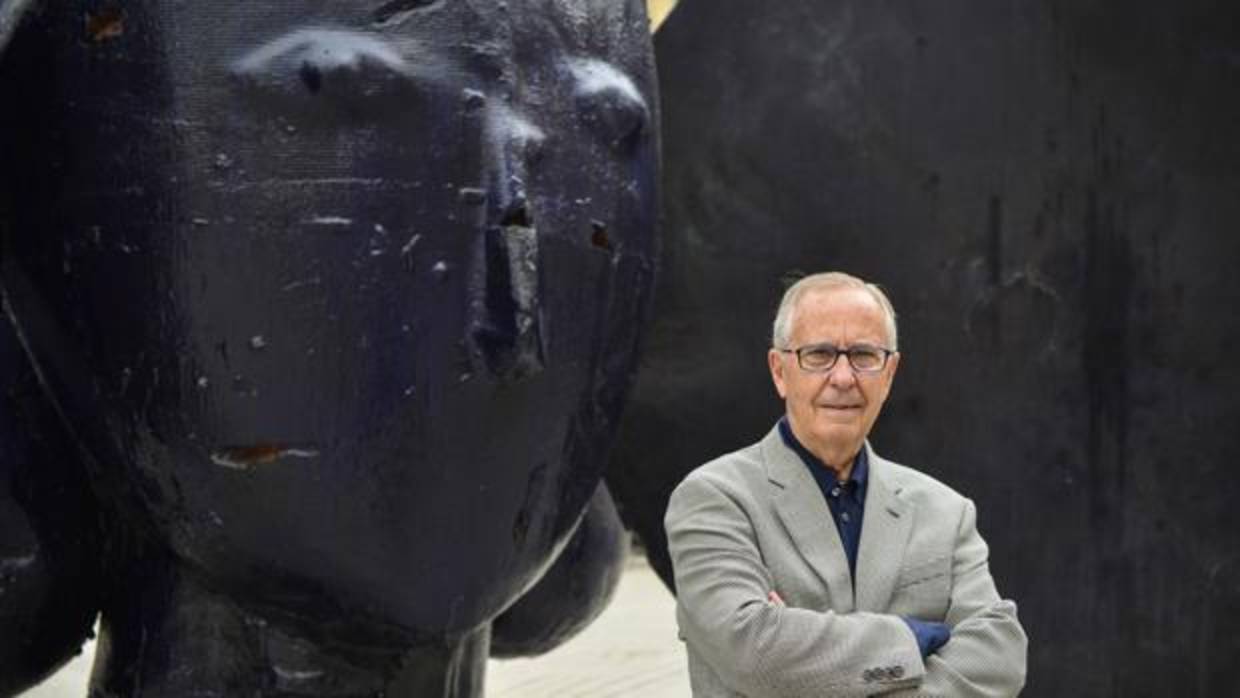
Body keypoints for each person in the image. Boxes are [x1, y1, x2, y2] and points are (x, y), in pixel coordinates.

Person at [665, 271, 1027, 697]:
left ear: (889, 373)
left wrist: (803, 649)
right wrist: (911, 637)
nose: (842, 377)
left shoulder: (946, 512)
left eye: (863, 355)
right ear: (779, 371)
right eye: (818, 354)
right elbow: (753, 649)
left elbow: (1000, 653)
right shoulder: (715, 499)